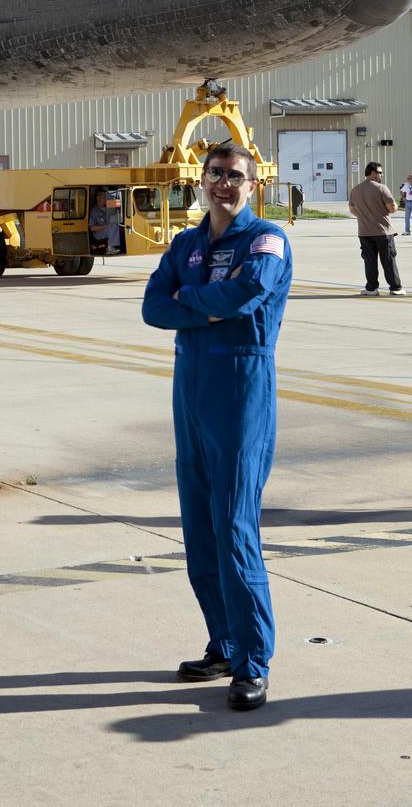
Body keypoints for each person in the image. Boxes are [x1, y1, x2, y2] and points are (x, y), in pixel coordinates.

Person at [142, 145, 292, 711]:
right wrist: (205, 308)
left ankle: (254, 661)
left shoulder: (266, 241)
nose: (224, 184)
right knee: (200, 531)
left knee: (233, 527)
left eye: (236, 176)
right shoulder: (185, 244)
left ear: (253, 185)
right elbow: (154, 307)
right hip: (191, 393)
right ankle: (224, 644)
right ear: (201, 180)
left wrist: (194, 303)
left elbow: (247, 292)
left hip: (240, 392)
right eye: (216, 174)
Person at [348, 162, 405, 295]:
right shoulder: (381, 188)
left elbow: (352, 210)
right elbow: (392, 208)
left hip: (364, 232)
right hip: (383, 231)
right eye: (379, 172)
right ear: (372, 173)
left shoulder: (355, 190)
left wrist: (365, 215)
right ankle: (395, 287)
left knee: (369, 261)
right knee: (388, 260)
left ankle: (371, 288)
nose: (381, 175)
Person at [89, 187, 122, 253]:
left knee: (117, 225)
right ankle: (110, 247)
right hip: (98, 233)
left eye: (106, 196)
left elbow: (120, 204)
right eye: (104, 197)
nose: (105, 199)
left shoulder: (108, 206)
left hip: (107, 230)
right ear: (98, 197)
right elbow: (91, 228)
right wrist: (105, 226)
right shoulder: (94, 211)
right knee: (112, 226)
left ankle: (117, 246)